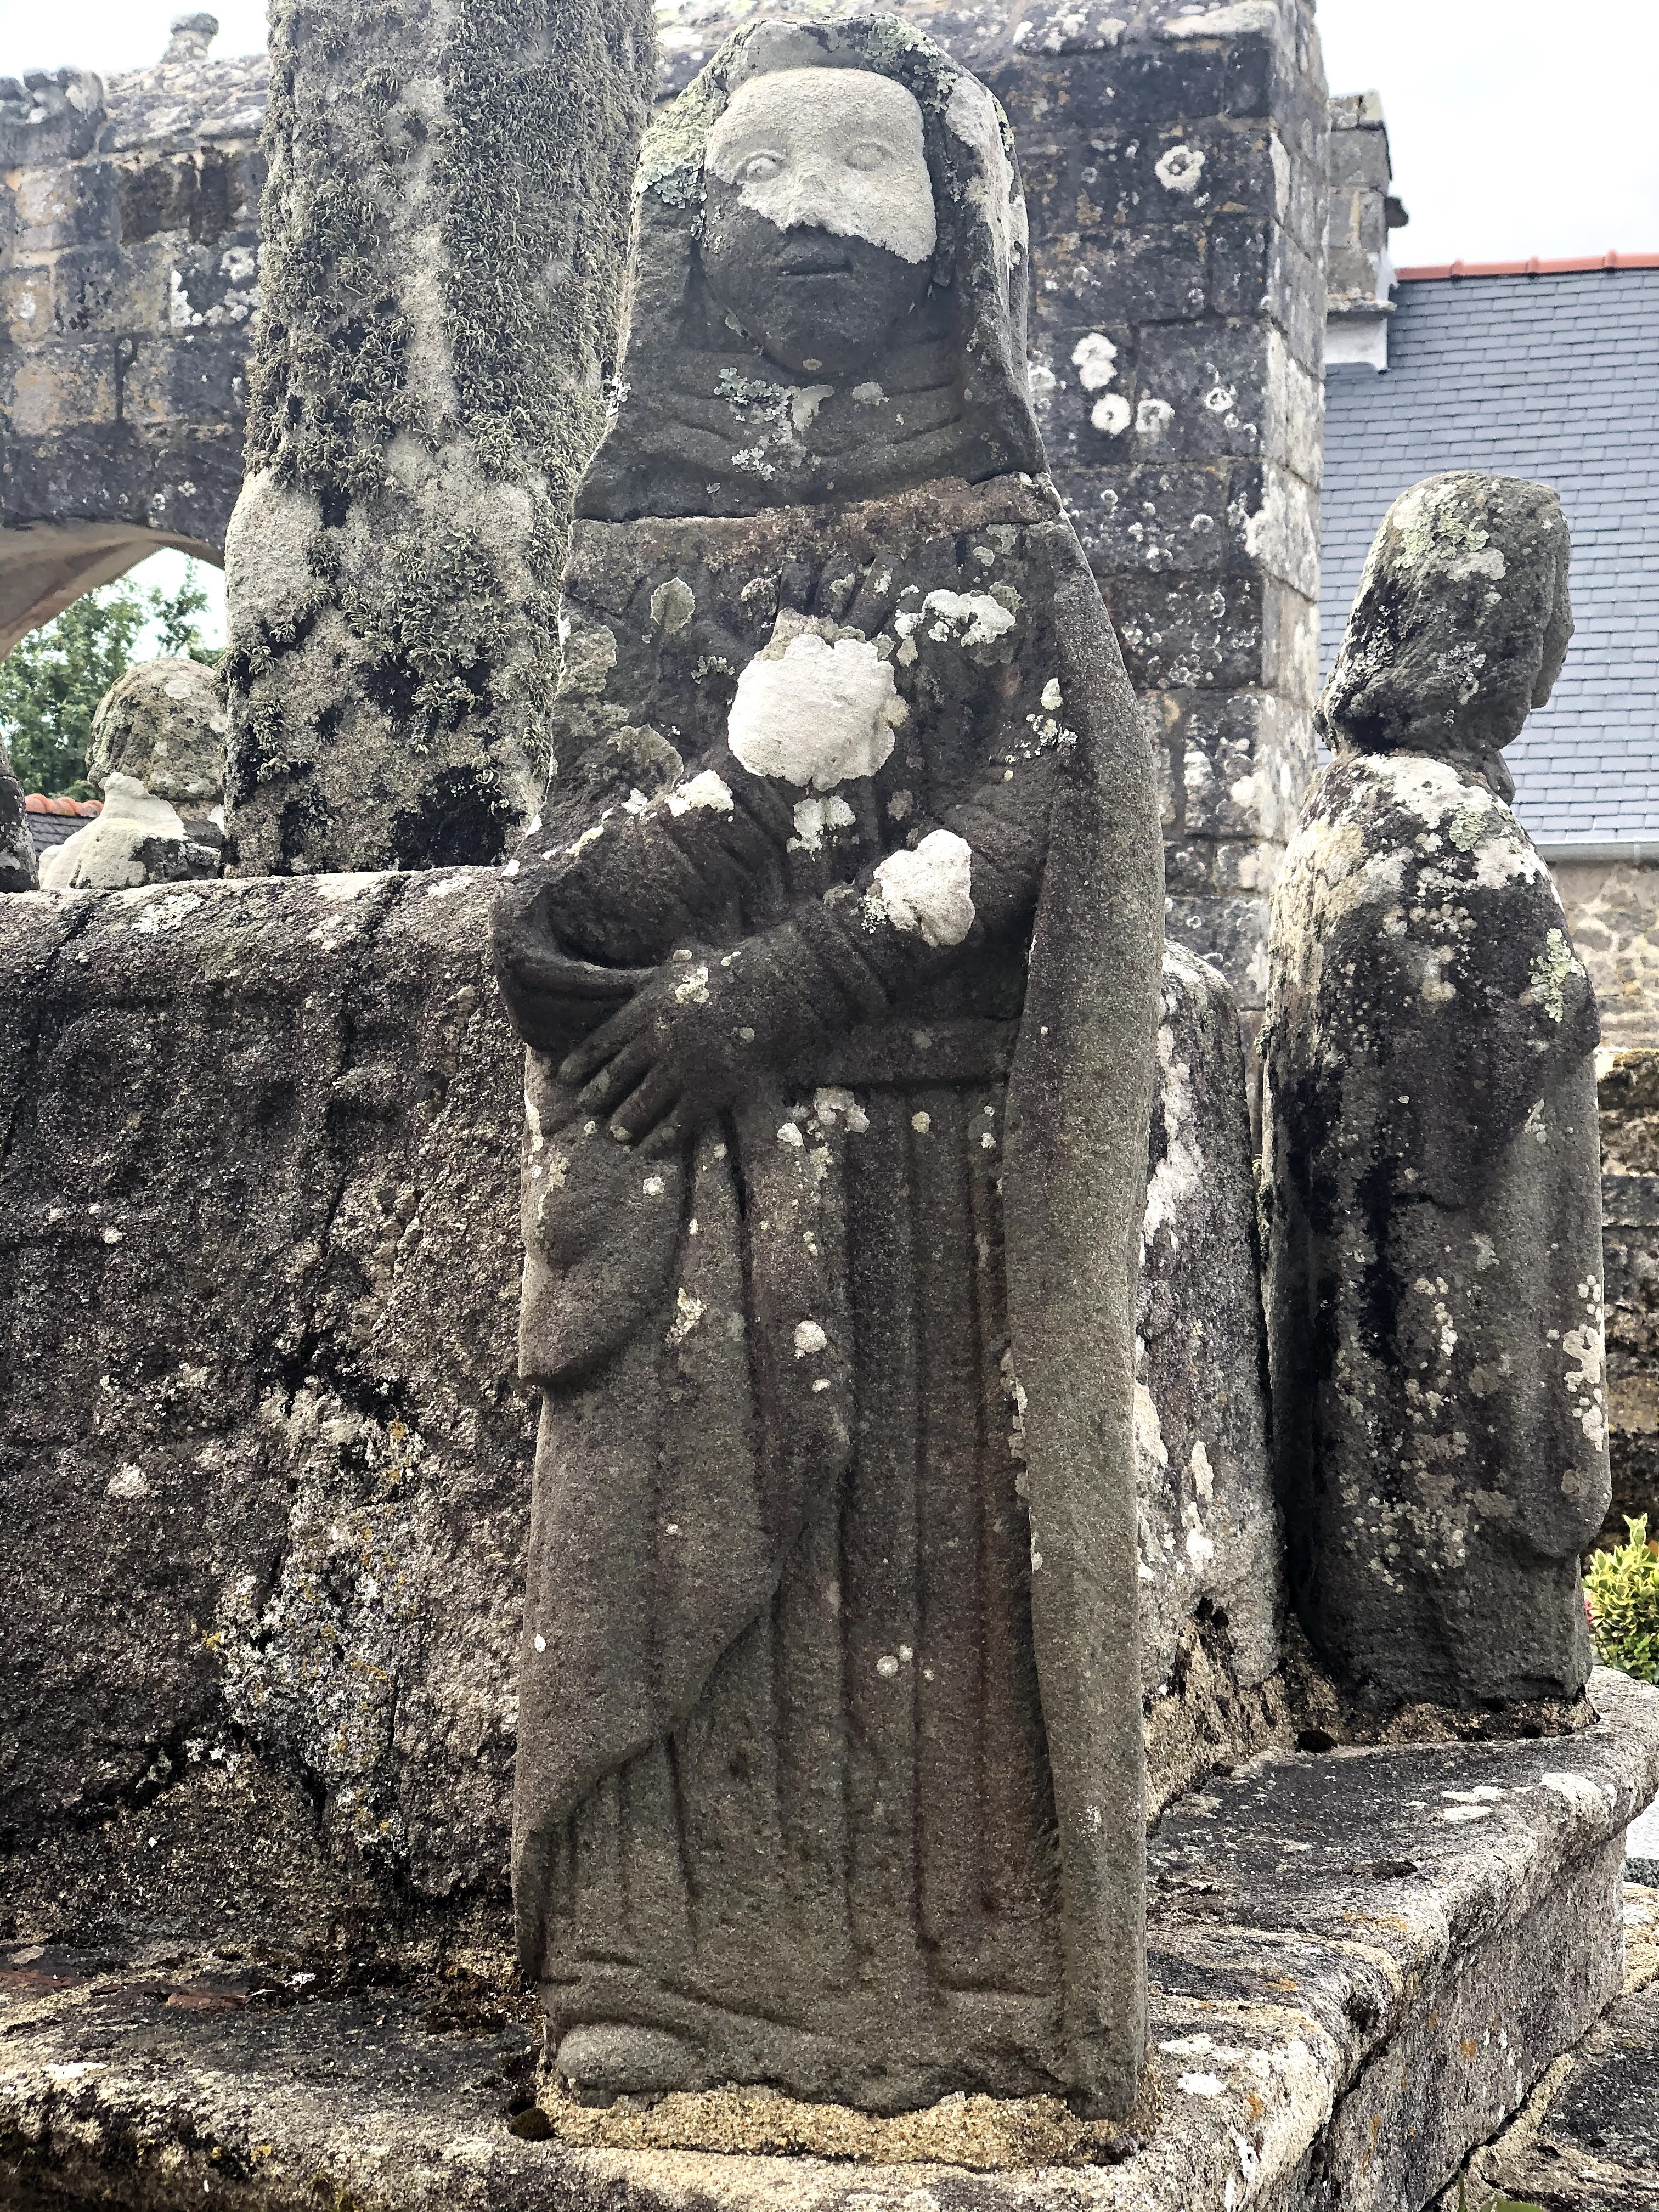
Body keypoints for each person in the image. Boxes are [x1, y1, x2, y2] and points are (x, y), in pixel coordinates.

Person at [492, 17, 1161, 2115]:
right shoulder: (620, 558)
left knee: (938, 1543)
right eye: (761, 174)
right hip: (699, 1170)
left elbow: (1032, 823)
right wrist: (730, 796)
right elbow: (555, 910)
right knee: (683, 1540)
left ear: (951, 233)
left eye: (862, 173)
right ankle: (669, 1973)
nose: (808, 215)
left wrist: (772, 989)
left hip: (937, 1156)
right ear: (681, 231)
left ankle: (969, 1980)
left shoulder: (1001, 543)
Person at [1264, 472, 1609, 1707]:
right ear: (1502, 631)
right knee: (1463, 1475)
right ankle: (1483, 1664)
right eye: (1552, 611)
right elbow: (1489, 1120)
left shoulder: (1340, 819)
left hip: (1355, 1382)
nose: (1565, 646)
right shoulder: (1457, 843)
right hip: (1454, 1338)